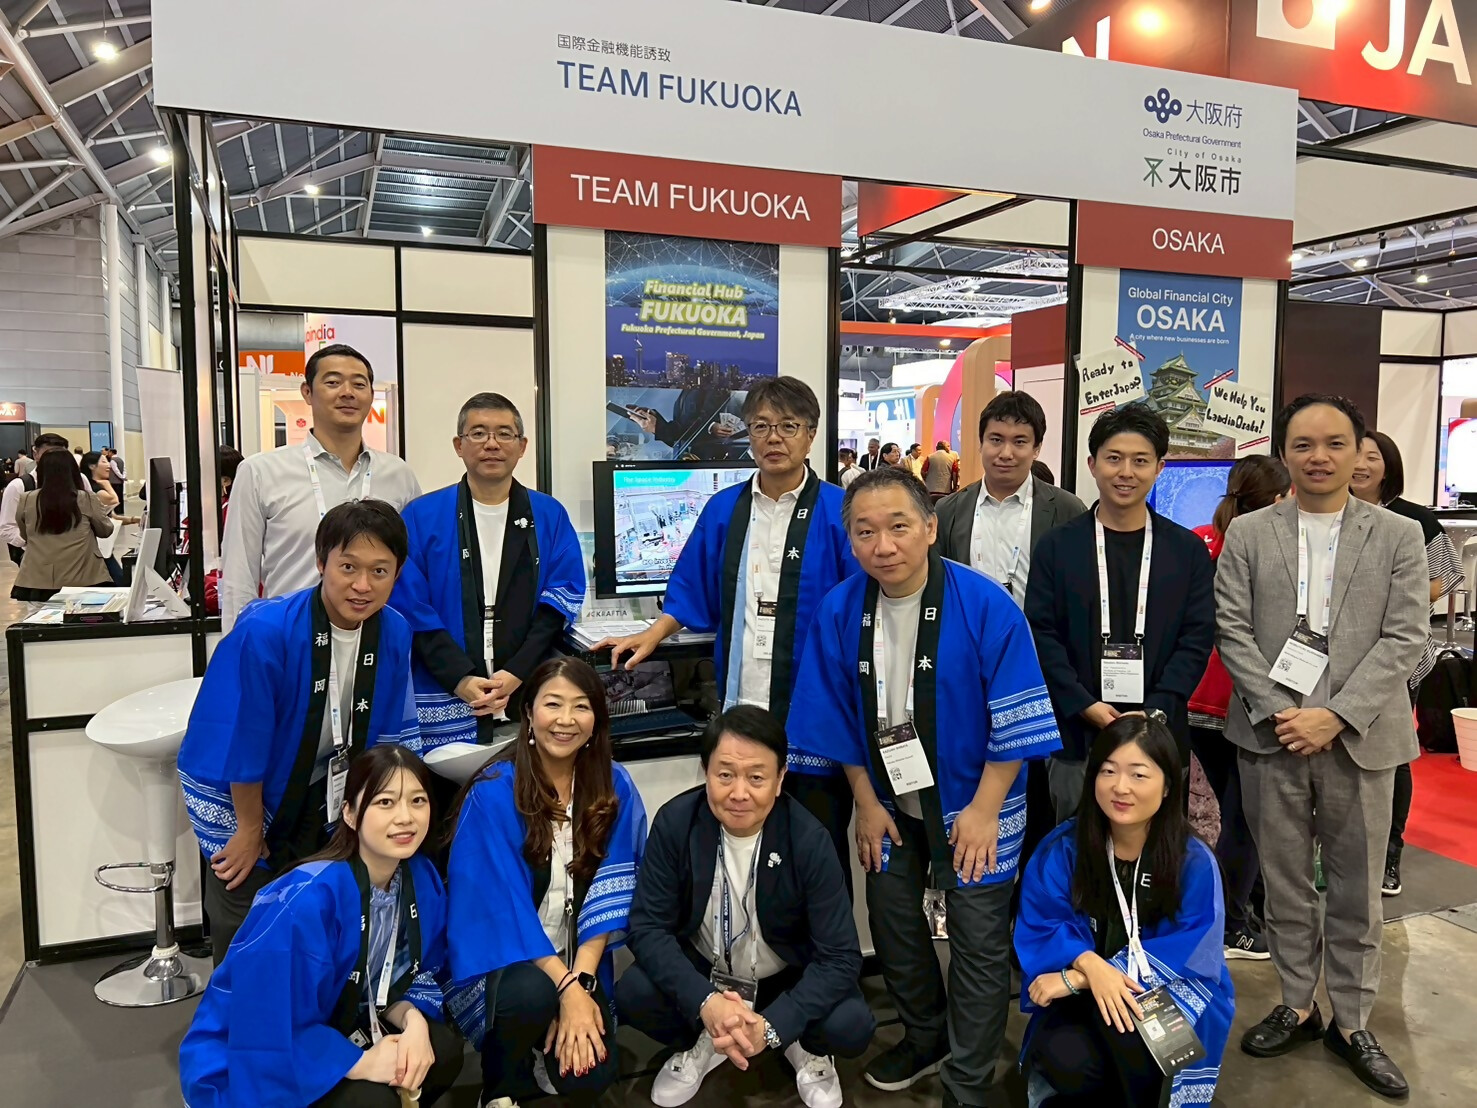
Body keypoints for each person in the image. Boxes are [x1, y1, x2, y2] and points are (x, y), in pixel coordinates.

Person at [788, 467, 1061, 1107]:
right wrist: (864, 802)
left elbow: (1016, 720)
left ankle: (968, 1077)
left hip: (978, 800)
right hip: (887, 802)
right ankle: (924, 1035)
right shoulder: (840, 609)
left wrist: (985, 811)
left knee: (977, 939)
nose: (883, 545)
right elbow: (832, 717)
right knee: (893, 924)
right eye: (865, 532)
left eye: (899, 526)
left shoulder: (985, 604)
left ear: (931, 528)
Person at [1216, 394, 1426, 1098]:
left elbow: (1404, 636)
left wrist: (1334, 715)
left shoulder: (1397, 534)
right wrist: (1283, 713)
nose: (1318, 456)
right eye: (1303, 444)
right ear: (1283, 453)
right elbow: (1231, 627)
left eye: (1335, 443)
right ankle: (1296, 1003)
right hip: (1271, 737)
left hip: (1360, 738)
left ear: (1359, 450)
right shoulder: (1250, 533)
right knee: (1284, 884)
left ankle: (1353, 1021)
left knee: (1357, 889)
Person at [599, 377, 860, 885]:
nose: (773, 438)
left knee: (819, 852)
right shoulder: (723, 509)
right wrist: (652, 634)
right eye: (761, 426)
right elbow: (693, 586)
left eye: (788, 426)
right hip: (742, 705)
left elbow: (859, 610)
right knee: (742, 851)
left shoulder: (840, 512)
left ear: (811, 435)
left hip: (815, 715)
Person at [178, 500, 423, 963]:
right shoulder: (266, 631)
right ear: (321, 561)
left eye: (379, 571)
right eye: (348, 567)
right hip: (243, 790)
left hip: (321, 786)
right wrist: (249, 828)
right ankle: (238, 1005)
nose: (362, 585)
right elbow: (243, 737)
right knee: (245, 908)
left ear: (398, 572)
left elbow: (389, 734)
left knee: (323, 916)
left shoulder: (394, 631)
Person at [179, 745, 465, 1107]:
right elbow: (267, 1019)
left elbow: (410, 975)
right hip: (260, 1048)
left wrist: (414, 1022)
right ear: (349, 813)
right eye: (385, 802)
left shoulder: (421, 878)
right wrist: (361, 1063)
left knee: (440, 1051)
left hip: (345, 1021)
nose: (405, 817)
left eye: (417, 801)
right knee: (371, 1101)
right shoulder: (306, 899)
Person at [617, 706, 875, 1108]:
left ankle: (799, 1043)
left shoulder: (808, 838)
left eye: (756, 777)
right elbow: (647, 927)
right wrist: (706, 1001)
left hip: (785, 977)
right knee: (634, 992)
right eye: (725, 775)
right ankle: (708, 1035)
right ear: (705, 771)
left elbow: (841, 957)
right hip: (708, 973)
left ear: (780, 779)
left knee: (850, 1023)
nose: (739, 793)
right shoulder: (676, 823)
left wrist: (775, 1024)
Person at [444, 657, 647, 1106]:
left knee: (590, 1079)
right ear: (529, 712)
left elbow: (613, 890)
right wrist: (564, 987)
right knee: (530, 995)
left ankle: (543, 1045)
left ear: (597, 719)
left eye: (581, 706)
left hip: (578, 958)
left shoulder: (615, 786)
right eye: (553, 704)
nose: (566, 719)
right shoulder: (494, 791)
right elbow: (503, 910)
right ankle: (500, 1086)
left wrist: (582, 983)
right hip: (507, 962)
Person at [1014, 716, 1234, 1108]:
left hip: (1168, 990)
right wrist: (1089, 966)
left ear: (1167, 786)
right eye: (1108, 771)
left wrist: (1084, 977)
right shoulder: (1064, 848)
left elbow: (1192, 948)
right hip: (1085, 994)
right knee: (1064, 1059)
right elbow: (1042, 921)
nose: (1121, 787)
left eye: (1139, 774)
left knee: (1136, 1037)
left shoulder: (1192, 860)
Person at [1025, 403, 1215, 822]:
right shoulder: (1057, 547)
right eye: (1114, 458)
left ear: (1159, 468)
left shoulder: (1186, 551)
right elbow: (1041, 633)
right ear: (1093, 465)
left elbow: (1197, 638)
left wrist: (1156, 709)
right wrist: (1083, 704)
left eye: (1140, 461)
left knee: (1158, 849)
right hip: (1076, 734)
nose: (1126, 472)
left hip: (1160, 734)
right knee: (1076, 846)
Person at [391, 393, 585, 750]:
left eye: (504, 434)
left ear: (522, 446)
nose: (492, 444)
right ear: (459, 445)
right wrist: (460, 678)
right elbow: (410, 607)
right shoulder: (420, 516)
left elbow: (560, 598)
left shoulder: (549, 514)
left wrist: (517, 672)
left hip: (526, 685)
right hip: (444, 688)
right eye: (478, 433)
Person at [219, 343, 421, 630]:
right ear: (307, 392)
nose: (347, 392)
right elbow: (238, 578)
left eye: (359, 384)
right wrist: (238, 645)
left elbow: (412, 569)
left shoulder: (398, 474)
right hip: (289, 638)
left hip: (375, 639)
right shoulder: (260, 472)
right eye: (333, 382)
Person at [1351, 428, 1463, 898]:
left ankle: (1388, 855)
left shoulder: (1414, 519)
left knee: (1391, 756)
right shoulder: (1326, 513)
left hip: (1398, 654)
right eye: (1354, 454)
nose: (1361, 465)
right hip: (1337, 654)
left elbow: (1446, 577)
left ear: (1388, 466)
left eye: (1372, 457)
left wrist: (1394, 595)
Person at [1188, 455, 1290, 963]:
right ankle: (1230, 924)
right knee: (1243, 817)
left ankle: (1228, 913)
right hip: (1244, 701)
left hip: (1192, 698)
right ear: (1280, 498)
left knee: (1218, 815)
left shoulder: (1198, 538)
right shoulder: (1267, 546)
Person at [936, 392, 1086, 606]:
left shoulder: (1067, 510)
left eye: (1019, 442)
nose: (1006, 453)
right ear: (981, 443)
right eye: (996, 440)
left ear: (1037, 448)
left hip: (1037, 628)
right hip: (970, 627)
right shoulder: (948, 511)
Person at [11, 449, 115, 605]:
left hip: (39, 578)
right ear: (73, 472)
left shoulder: (27, 499)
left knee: (42, 617)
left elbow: (25, 534)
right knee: (84, 617)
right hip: (83, 575)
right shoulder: (86, 498)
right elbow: (105, 530)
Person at [1, 432, 68, 566]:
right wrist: (32, 542)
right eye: (48, 454)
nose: (55, 460)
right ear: (35, 454)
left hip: (73, 558)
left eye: (61, 454)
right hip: (35, 560)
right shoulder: (19, 486)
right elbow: (6, 528)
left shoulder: (79, 481)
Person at [81, 450, 140, 585]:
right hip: (98, 549)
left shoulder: (97, 487)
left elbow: (111, 517)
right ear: (92, 466)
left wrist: (135, 519)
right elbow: (113, 500)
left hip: (105, 548)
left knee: (118, 580)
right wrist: (107, 484)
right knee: (118, 581)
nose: (108, 465)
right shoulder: (95, 490)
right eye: (104, 462)